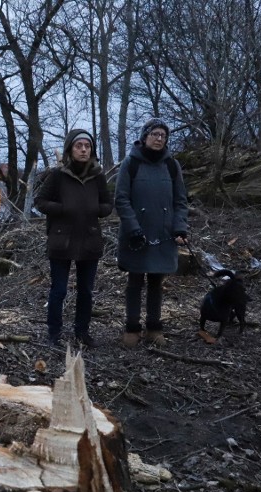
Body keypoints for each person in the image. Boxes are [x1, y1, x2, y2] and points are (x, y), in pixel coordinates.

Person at [114, 118, 189, 347]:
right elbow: (121, 198)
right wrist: (133, 228)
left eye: (163, 136)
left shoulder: (171, 165)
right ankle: (132, 328)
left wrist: (180, 227)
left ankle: (154, 328)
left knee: (157, 282)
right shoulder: (131, 163)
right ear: (145, 136)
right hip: (136, 234)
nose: (159, 139)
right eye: (155, 134)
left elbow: (181, 200)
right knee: (135, 281)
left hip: (163, 234)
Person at [35, 129, 113, 347]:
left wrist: (96, 209)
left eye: (87, 146)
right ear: (70, 149)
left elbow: (108, 204)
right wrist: (63, 208)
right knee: (58, 290)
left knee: (86, 291)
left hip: (89, 239)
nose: (83, 150)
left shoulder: (97, 176)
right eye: (79, 146)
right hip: (62, 240)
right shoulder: (58, 175)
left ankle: (82, 332)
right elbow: (40, 202)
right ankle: (53, 333)